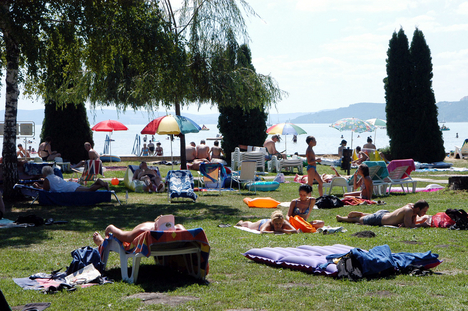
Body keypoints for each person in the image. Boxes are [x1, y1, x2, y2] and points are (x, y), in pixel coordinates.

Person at [92, 215, 187, 246]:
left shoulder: (145, 232)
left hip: (136, 236)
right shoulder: (179, 228)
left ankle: (103, 242)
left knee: (123, 240)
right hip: (171, 239)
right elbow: (189, 236)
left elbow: (124, 236)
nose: (161, 216)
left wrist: (111, 227)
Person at [336, 200, 431, 228]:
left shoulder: (412, 208)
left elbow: (410, 223)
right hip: (380, 219)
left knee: (368, 217)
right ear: (418, 208)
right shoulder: (409, 211)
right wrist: (422, 224)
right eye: (424, 211)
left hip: (385, 214)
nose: (424, 213)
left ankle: (362, 214)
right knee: (359, 220)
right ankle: (342, 218)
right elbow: (409, 225)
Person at [34, 165, 109, 192]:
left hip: (69, 188)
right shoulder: (54, 176)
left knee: (89, 190)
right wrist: (40, 186)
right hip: (70, 185)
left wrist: (37, 187)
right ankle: (98, 182)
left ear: (44, 173)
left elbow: (45, 190)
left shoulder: (47, 179)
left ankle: (103, 185)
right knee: (88, 189)